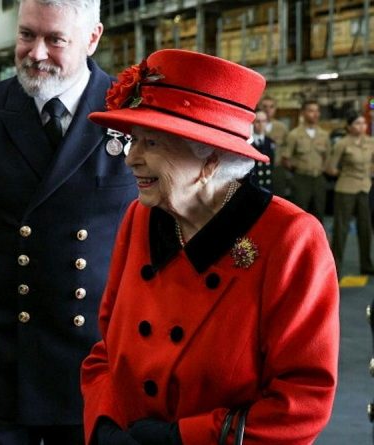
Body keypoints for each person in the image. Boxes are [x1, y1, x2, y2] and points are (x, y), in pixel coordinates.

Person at [82, 49, 339, 445]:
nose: (131, 159)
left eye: (151, 143)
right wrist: (105, 425)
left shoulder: (289, 238)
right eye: (132, 140)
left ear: (211, 161)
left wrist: (183, 438)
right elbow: (105, 352)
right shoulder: (139, 216)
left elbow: (303, 399)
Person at [0, 0, 137, 443]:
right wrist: (9, 285)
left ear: (92, 37)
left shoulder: (133, 113)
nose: (37, 53)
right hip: (6, 350)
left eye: (55, 39)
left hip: (100, 351)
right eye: (27, 35)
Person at [324, 112, 374, 275]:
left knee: (365, 228)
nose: (362, 126)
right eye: (358, 123)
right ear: (349, 127)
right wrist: (346, 173)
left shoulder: (371, 142)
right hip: (345, 188)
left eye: (363, 123)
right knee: (341, 229)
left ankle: (366, 265)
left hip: (365, 188)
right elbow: (330, 168)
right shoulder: (342, 143)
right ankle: (335, 268)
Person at [279, 100, 332, 221]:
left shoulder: (324, 135)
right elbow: (285, 159)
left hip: (319, 179)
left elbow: (328, 156)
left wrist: (322, 169)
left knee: (319, 212)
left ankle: (318, 240)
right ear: (303, 113)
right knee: (300, 214)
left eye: (317, 111)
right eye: (311, 110)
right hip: (301, 179)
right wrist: (297, 170)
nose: (315, 114)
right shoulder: (294, 134)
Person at [259, 95, 290, 198]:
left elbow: (287, 146)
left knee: (278, 198)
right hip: (257, 168)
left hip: (276, 169)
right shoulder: (252, 125)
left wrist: (284, 158)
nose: (268, 110)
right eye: (265, 106)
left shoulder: (282, 128)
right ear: (260, 108)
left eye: (271, 107)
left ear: (275, 109)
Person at [249, 110, 275, 190]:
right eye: (258, 121)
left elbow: (272, 164)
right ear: (253, 123)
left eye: (264, 121)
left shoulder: (270, 142)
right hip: (253, 184)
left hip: (267, 183)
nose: (261, 124)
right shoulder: (249, 142)